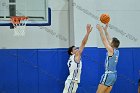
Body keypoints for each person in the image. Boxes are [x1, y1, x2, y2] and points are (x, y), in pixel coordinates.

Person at [63, 24, 92, 93]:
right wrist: (87, 33)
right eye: (75, 49)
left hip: (71, 82)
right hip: (72, 82)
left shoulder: (71, 58)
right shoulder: (76, 56)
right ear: (72, 52)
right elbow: (83, 43)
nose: (77, 49)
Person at [96, 24, 120, 93]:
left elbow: (104, 40)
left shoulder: (111, 50)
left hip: (108, 74)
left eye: (110, 41)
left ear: (112, 44)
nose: (109, 41)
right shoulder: (117, 51)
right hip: (114, 75)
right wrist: (105, 30)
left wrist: (100, 30)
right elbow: (109, 39)